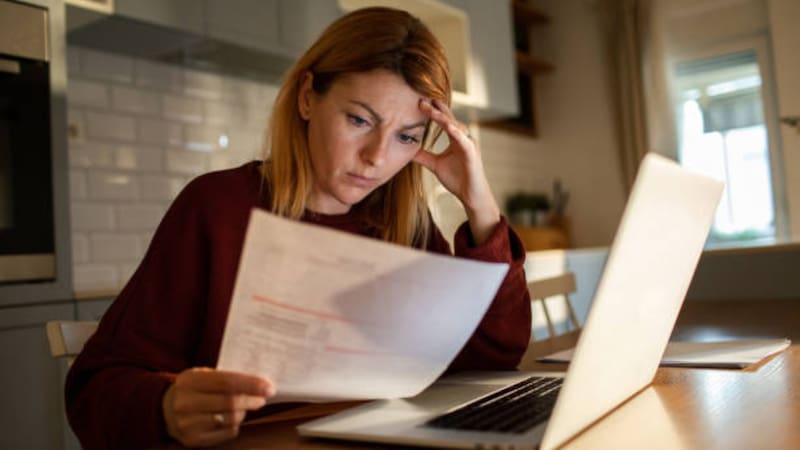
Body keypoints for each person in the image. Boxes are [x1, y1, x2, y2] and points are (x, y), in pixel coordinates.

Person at [65, 7, 531, 450]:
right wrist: (167, 406)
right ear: (308, 97)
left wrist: (479, 203)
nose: (376, 156)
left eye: (406, 136)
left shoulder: (403, 224)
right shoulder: (218, 207)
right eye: (359, 120)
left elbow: (489, 363)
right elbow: (94, 388)